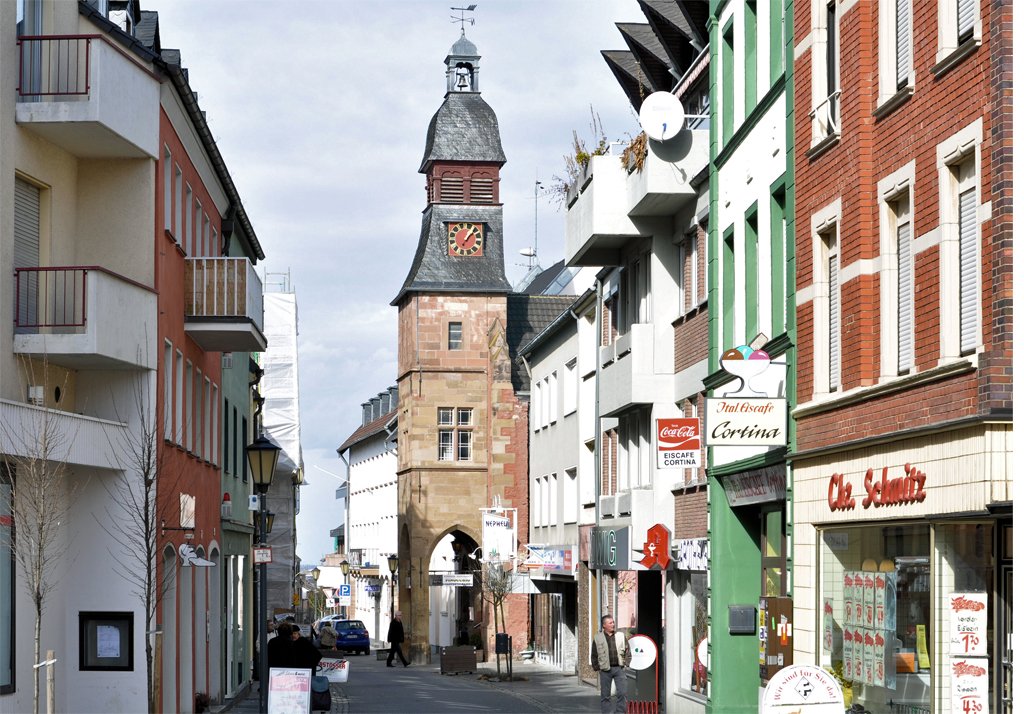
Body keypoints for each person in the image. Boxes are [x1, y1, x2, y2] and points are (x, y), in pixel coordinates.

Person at [590, 615, 631, 714]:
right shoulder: (597, 638)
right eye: (610, 623)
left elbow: (627, 651)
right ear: (604, 625)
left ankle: (620, 712)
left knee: (622, 693)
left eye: (613, 622)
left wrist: (626, 663)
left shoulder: (621, 636)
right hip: (605, 670)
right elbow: (594, 654)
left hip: (619, 669)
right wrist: (597, 668)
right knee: (605, 696)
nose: (613, 624)